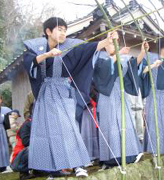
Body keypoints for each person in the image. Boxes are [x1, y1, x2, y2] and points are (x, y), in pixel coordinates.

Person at [23, 17, 118, 177]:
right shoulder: (35, 47)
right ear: (48, 31)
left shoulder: (68, 47)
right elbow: (31, 63)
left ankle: (78, 165)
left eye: (65, 30)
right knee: (46, 131)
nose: (63, 33)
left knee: (69, 128)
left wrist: (106, 41)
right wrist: (47, 54)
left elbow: (86, 49)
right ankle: (51, 169)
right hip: (45, 94)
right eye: (59, 29)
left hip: (62, 92)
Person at [93, 41, 147, 166]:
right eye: (111, 44)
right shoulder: (100, 58)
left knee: (125, 122)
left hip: (121, 94)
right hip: (107, 95)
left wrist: (142, 52)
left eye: (116, 44)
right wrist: (119, 53)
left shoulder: (124, 58)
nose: (114, 46)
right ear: (105, 46)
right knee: (110, 124)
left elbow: (134, 65)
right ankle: (111, 158)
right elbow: (101, 71)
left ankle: (129, 154)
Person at [0, 94, 11, 172]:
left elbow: (13, 116)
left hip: (2, 131)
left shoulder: (5, 109)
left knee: (3, 149)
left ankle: (4, 165)